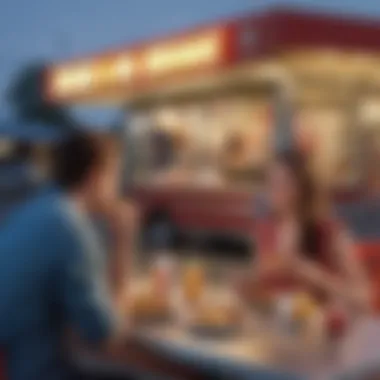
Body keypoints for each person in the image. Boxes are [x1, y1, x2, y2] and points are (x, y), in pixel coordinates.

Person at [0, 132, 135, 380]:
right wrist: (124, 242)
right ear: (96, 176)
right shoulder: (71, 226)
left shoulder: (36, 209)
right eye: (114, 176)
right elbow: (107, 337)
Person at [239, 149, 370, 313]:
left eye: (282, 183)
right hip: (272, 330)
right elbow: (259, 287)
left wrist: (311, 273)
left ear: (303, 189)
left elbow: (364, 298)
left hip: (319, 332)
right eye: (270, 182)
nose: (271, 191)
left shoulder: (329, 231)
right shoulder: (266, 228)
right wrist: (248, 283)